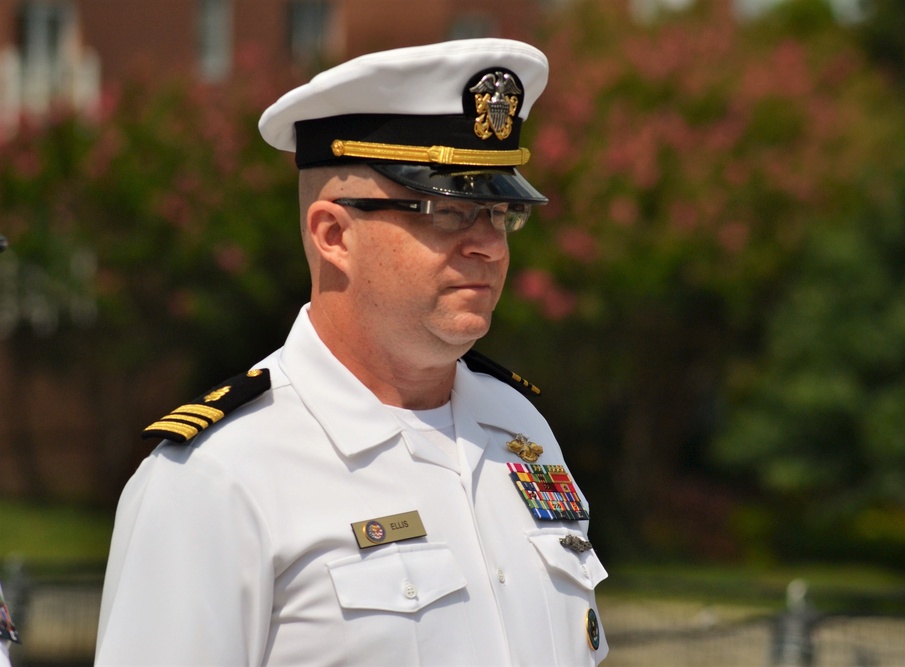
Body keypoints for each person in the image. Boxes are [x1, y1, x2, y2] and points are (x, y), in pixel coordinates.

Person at [96, 38, 608, 665]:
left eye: (501, 213)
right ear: (334, 234)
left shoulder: (517, 430)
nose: (490, 246)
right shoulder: (219, 478)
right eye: (446, 211)